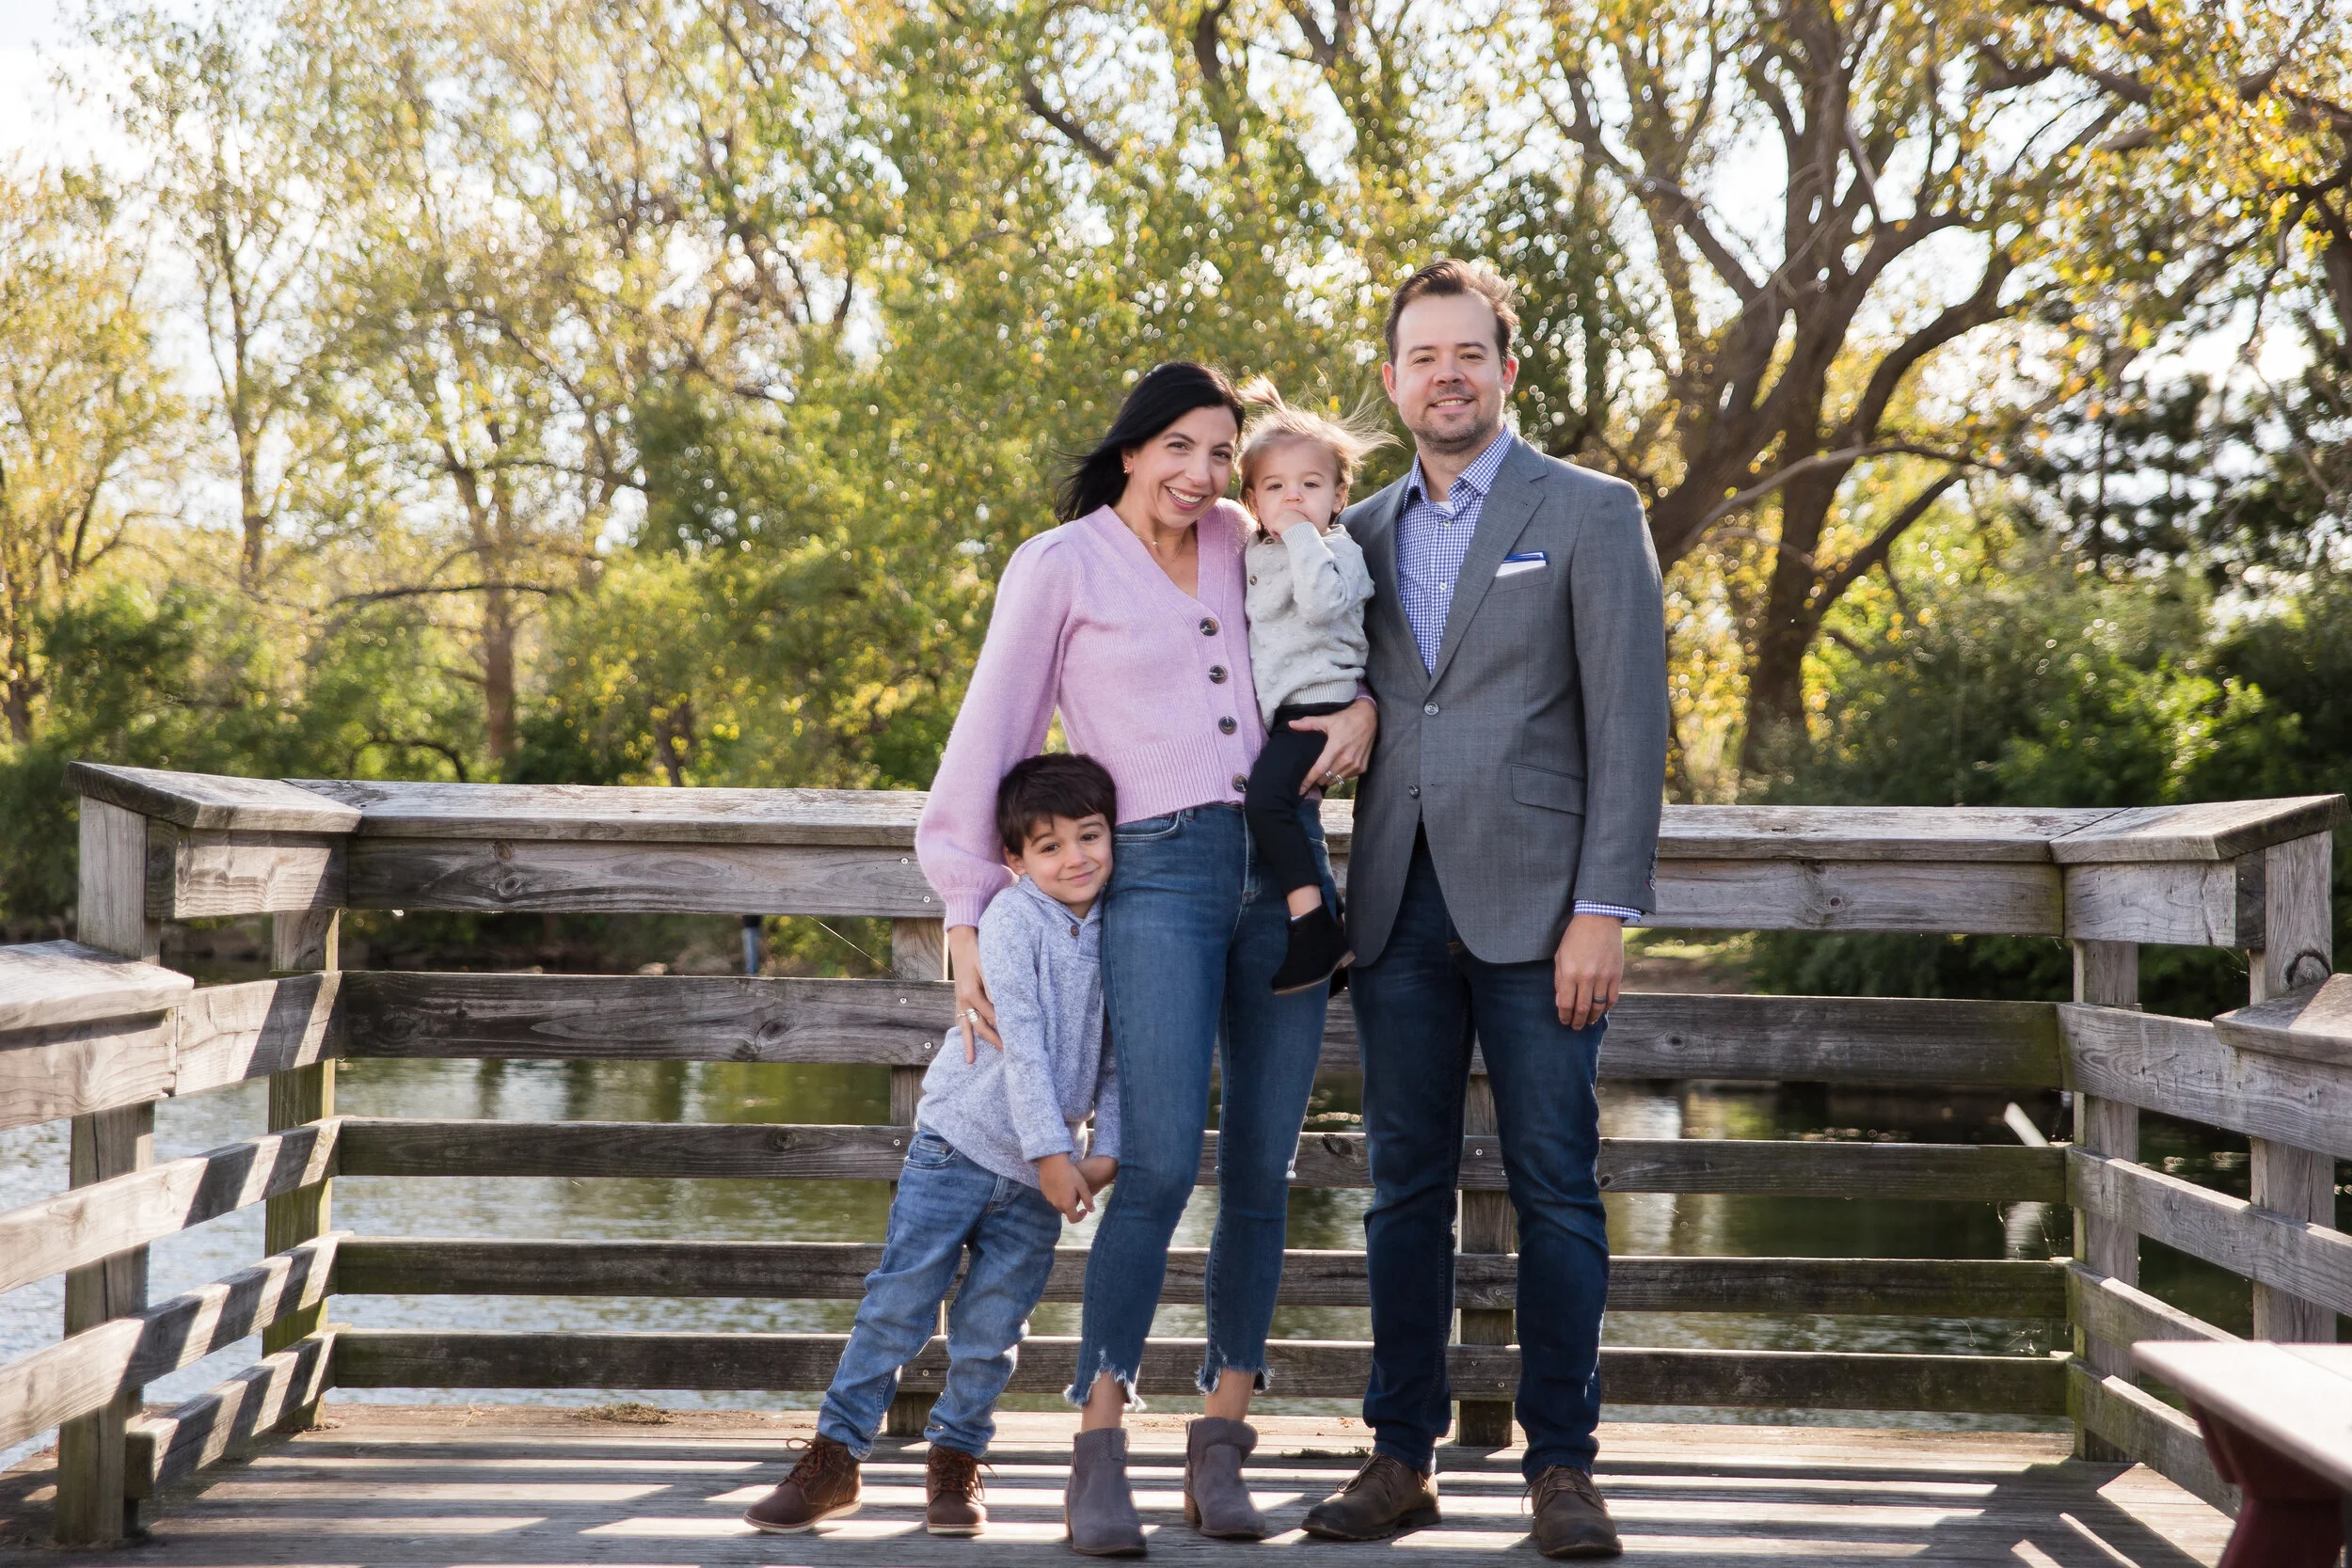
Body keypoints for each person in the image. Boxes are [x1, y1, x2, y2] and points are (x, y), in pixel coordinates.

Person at [914, 361, 1379, 1556]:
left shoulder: (1249, 529)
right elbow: (996, 733)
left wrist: (1363, 711)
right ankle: (1096, 1441)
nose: (1201, 474)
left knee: (1264, 1172)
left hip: (1284, 875)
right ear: (1129, 447)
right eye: (1178, 446)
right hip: (1158, 880)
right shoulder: (1057, 563)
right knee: (1160, 1160)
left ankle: (1222, 1435)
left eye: (1220, 452)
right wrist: (968, 903)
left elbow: (1340, 622)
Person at [1298, 260, 1668, 1560]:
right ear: (1393, 381)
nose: (1445, 375)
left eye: (1469, 353)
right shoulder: (1360, 531)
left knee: (1558, 1188)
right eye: (1421, 356)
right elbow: (1328, 679)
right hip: (1395, 905)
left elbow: (1630, 722)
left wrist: (1605, 907)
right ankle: (1398, 1454)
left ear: (1508, 370)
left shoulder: (1587, 510)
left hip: (1542, 916)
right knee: (1403, 1188)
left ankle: (1563, 1465)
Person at [742, 753, 1124, 1540]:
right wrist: (1055, 1152)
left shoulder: (1126, 931)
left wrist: (1103, 1152)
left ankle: (956, 1460)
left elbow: (1123, 1058)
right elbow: (1018, 1039)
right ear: (1014, 860)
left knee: (993, 1328)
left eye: (1090, 836)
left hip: (1038, 1176)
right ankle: (835, 1455)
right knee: (898, 1304)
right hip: (958, 1145)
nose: (1075, 857)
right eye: (1048, 846)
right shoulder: (1015, 919)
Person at [1232, 376, 1392, 993]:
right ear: (1250, 499)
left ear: (1339, 494)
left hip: (1323, 702)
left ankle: (1314, 927)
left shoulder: (1337, 548)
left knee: (1267, 802)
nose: (1293, 499)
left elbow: (1324, 606)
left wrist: (1301, 532)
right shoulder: (1253, 547)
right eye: (1275, 488)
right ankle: (1328, 943)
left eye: (1310, 486)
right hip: (1287, 710)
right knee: (1293, 813)